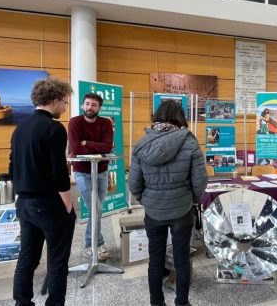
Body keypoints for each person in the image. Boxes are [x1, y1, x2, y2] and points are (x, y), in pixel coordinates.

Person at [128, 100, 208, 306]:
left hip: (153, 211)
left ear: (157, 116)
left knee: (155, 260)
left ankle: (156, 302)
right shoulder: (190, 142)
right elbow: (200, 180)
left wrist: (146, 200)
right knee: (182, 261)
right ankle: (182, 302)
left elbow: (134, 183)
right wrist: (192, 199)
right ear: (179, 116)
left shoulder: (140, 144)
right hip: (182, 209)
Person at [9, 77, 75, 306]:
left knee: (26, 258)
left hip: (24, 204)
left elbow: (12, 168)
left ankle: (22, 302)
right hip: (49, 204)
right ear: (55, 100)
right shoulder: (54, 129)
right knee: (57, 261)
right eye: (65, 102)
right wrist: (68, 204)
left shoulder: (19, 129)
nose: (66, 107)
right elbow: (59, 172)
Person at [68, 92, 114, 260]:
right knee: (96, 209)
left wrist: (86, 143)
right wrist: (96, 146)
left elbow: (108, 147)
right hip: (82, 171)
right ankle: (95, 244)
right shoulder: (74, 122)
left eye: (94, 105)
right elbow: (76, 148)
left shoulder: (106, 123)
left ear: (99, 108)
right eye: (87, 104)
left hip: (101, 171)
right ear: (82, 105)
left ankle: (93, 243)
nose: (90, 107)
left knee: (97, 210)